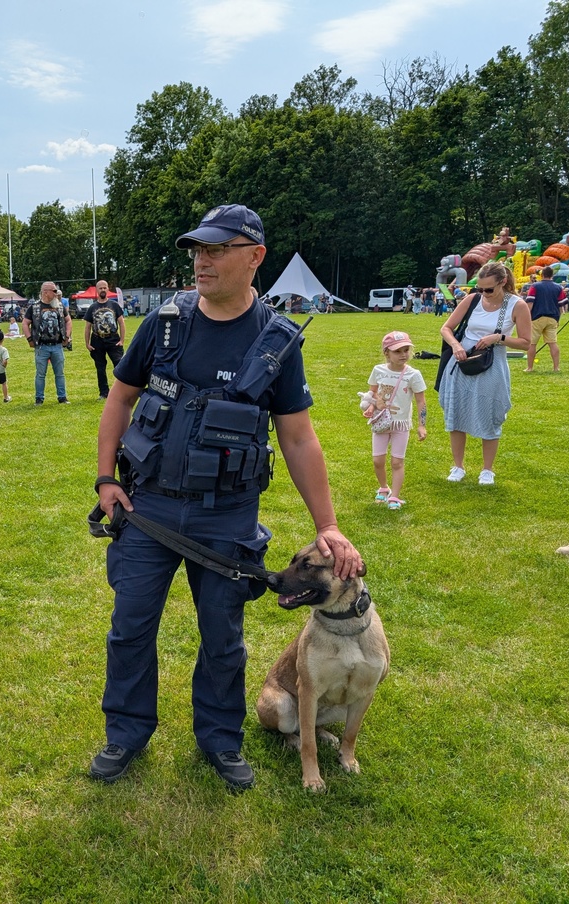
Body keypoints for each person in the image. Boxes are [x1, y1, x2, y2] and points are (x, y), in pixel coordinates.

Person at [91, 204, 362, 790]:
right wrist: (106, 478)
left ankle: (219, 740)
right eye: (198, 250)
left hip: (227, 517)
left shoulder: (277, 341)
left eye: (217, 249)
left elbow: (297, 435)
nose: (202, 260)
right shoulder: (164, 322)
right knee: (130, 627)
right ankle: (126, 734)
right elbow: (120, 399)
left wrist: (330, 525)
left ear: (255, 257)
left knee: (223, 636)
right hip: (148, 507)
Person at [438, 260, 532, 485]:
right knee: (456, 414)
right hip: (462, 362)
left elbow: (526, 343)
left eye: (488, 289)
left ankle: (487, 470)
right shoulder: (473, 299)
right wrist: (456, 346)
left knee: (490, 416)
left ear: (503, 282)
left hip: (492, 365)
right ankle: (457, 466)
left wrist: (498, 338)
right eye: (480, 289)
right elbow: (446, 328)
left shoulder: (517, 305)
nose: (484, 293)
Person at [361, 331, 427, 510]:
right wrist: (371, 407)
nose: (403, 355)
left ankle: (395, 497)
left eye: (406, 350)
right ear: (386, 353)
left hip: (401, 424)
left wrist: (422, 425)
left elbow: (421, 400)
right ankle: (384, 488)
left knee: (397, 462)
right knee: (377, 460)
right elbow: (372, 392)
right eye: (398, 351)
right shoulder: (378, 370)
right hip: (381, 422)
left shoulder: (413, 374)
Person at [24, 281, 72, 404]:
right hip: (41, 346)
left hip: (57, 345)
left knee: (60, 373)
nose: (56, 293)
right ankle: (39, 399)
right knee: (40, 374)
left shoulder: (59, 306)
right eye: (54, 291)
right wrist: (29, 339)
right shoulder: (34, 307)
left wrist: (67, 336)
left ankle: (62, 397)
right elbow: (25, 323)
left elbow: (68, 320)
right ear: (45, 292)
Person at [84, 279, 126, 400]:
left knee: (119, 366)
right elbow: (87, 327)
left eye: (104, 287)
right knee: (100, 368)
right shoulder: (92, 307)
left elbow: (122, 323)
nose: (102, 290)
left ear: (108, 289)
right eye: (100, 288)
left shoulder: (114, 306)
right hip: (97, 340)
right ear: (97, 290)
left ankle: (122, 392)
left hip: (113, 340)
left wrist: (122, 340)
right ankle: (104, 393)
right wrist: (87, 344)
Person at [525, 265, 566, 372]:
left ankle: (530, 368)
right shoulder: (558, 287)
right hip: (553, 317)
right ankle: (556, 367)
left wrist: (526, 317)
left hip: (537, 317)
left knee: (532, 343)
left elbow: (530, 302)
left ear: (542, 275)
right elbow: (561, 305)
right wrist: (558, 320)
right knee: (553, 343)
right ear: (552, 275)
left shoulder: (535, 286)